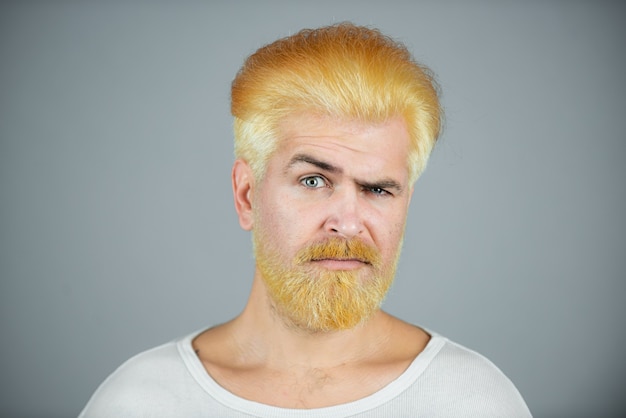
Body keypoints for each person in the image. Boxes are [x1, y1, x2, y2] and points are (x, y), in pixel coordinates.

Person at [79, 23, 532, 417]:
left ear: (406, 205)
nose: (349, 224)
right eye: (314, 181)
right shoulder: (140, 402)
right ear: (247, 195)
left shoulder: (472, 402)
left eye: (378, 189)